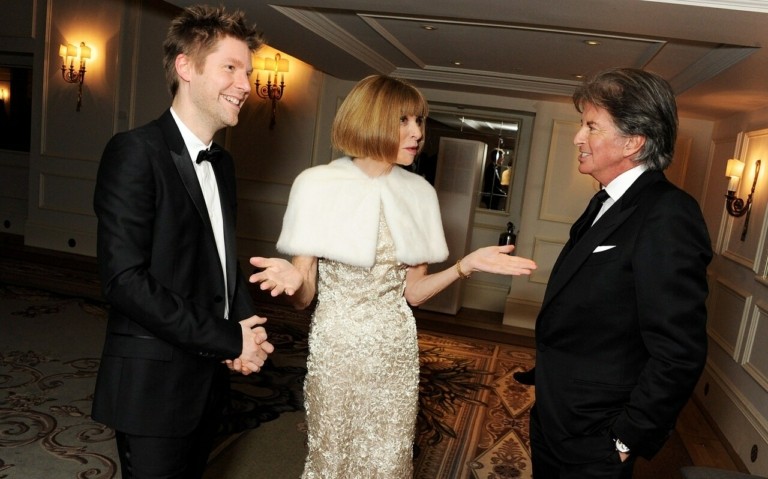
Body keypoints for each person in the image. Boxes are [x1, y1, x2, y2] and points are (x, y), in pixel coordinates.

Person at [249, 74, 537, 478]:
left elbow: (414, 293)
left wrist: (464, 266)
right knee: (332, 453)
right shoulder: (317, 186)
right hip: (337, 345)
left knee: (388, 455)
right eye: (404, 120)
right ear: (370, 120)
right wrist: (295, 282)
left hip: (394, 348)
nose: (417, 132)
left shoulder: (419, 195)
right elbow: (304, 295)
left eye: (419, 120)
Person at [91, 5, 274, 478]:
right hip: (152, 387)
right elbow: (125, 281)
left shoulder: (223, 164)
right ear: (186, 67)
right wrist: (228, 338)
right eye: (230, 68)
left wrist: (244, 323)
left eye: (248, 72)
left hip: (205, 381)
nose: (246, 85)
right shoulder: (135, 151)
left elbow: (219, 258)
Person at [529, 67, 712, 478]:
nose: (578, 137)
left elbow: (679, 350)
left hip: (597, 434)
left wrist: (626, 440)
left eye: (591, 126)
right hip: (558, 415)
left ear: (633, 141)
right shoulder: (604, 201)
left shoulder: (668, 213)